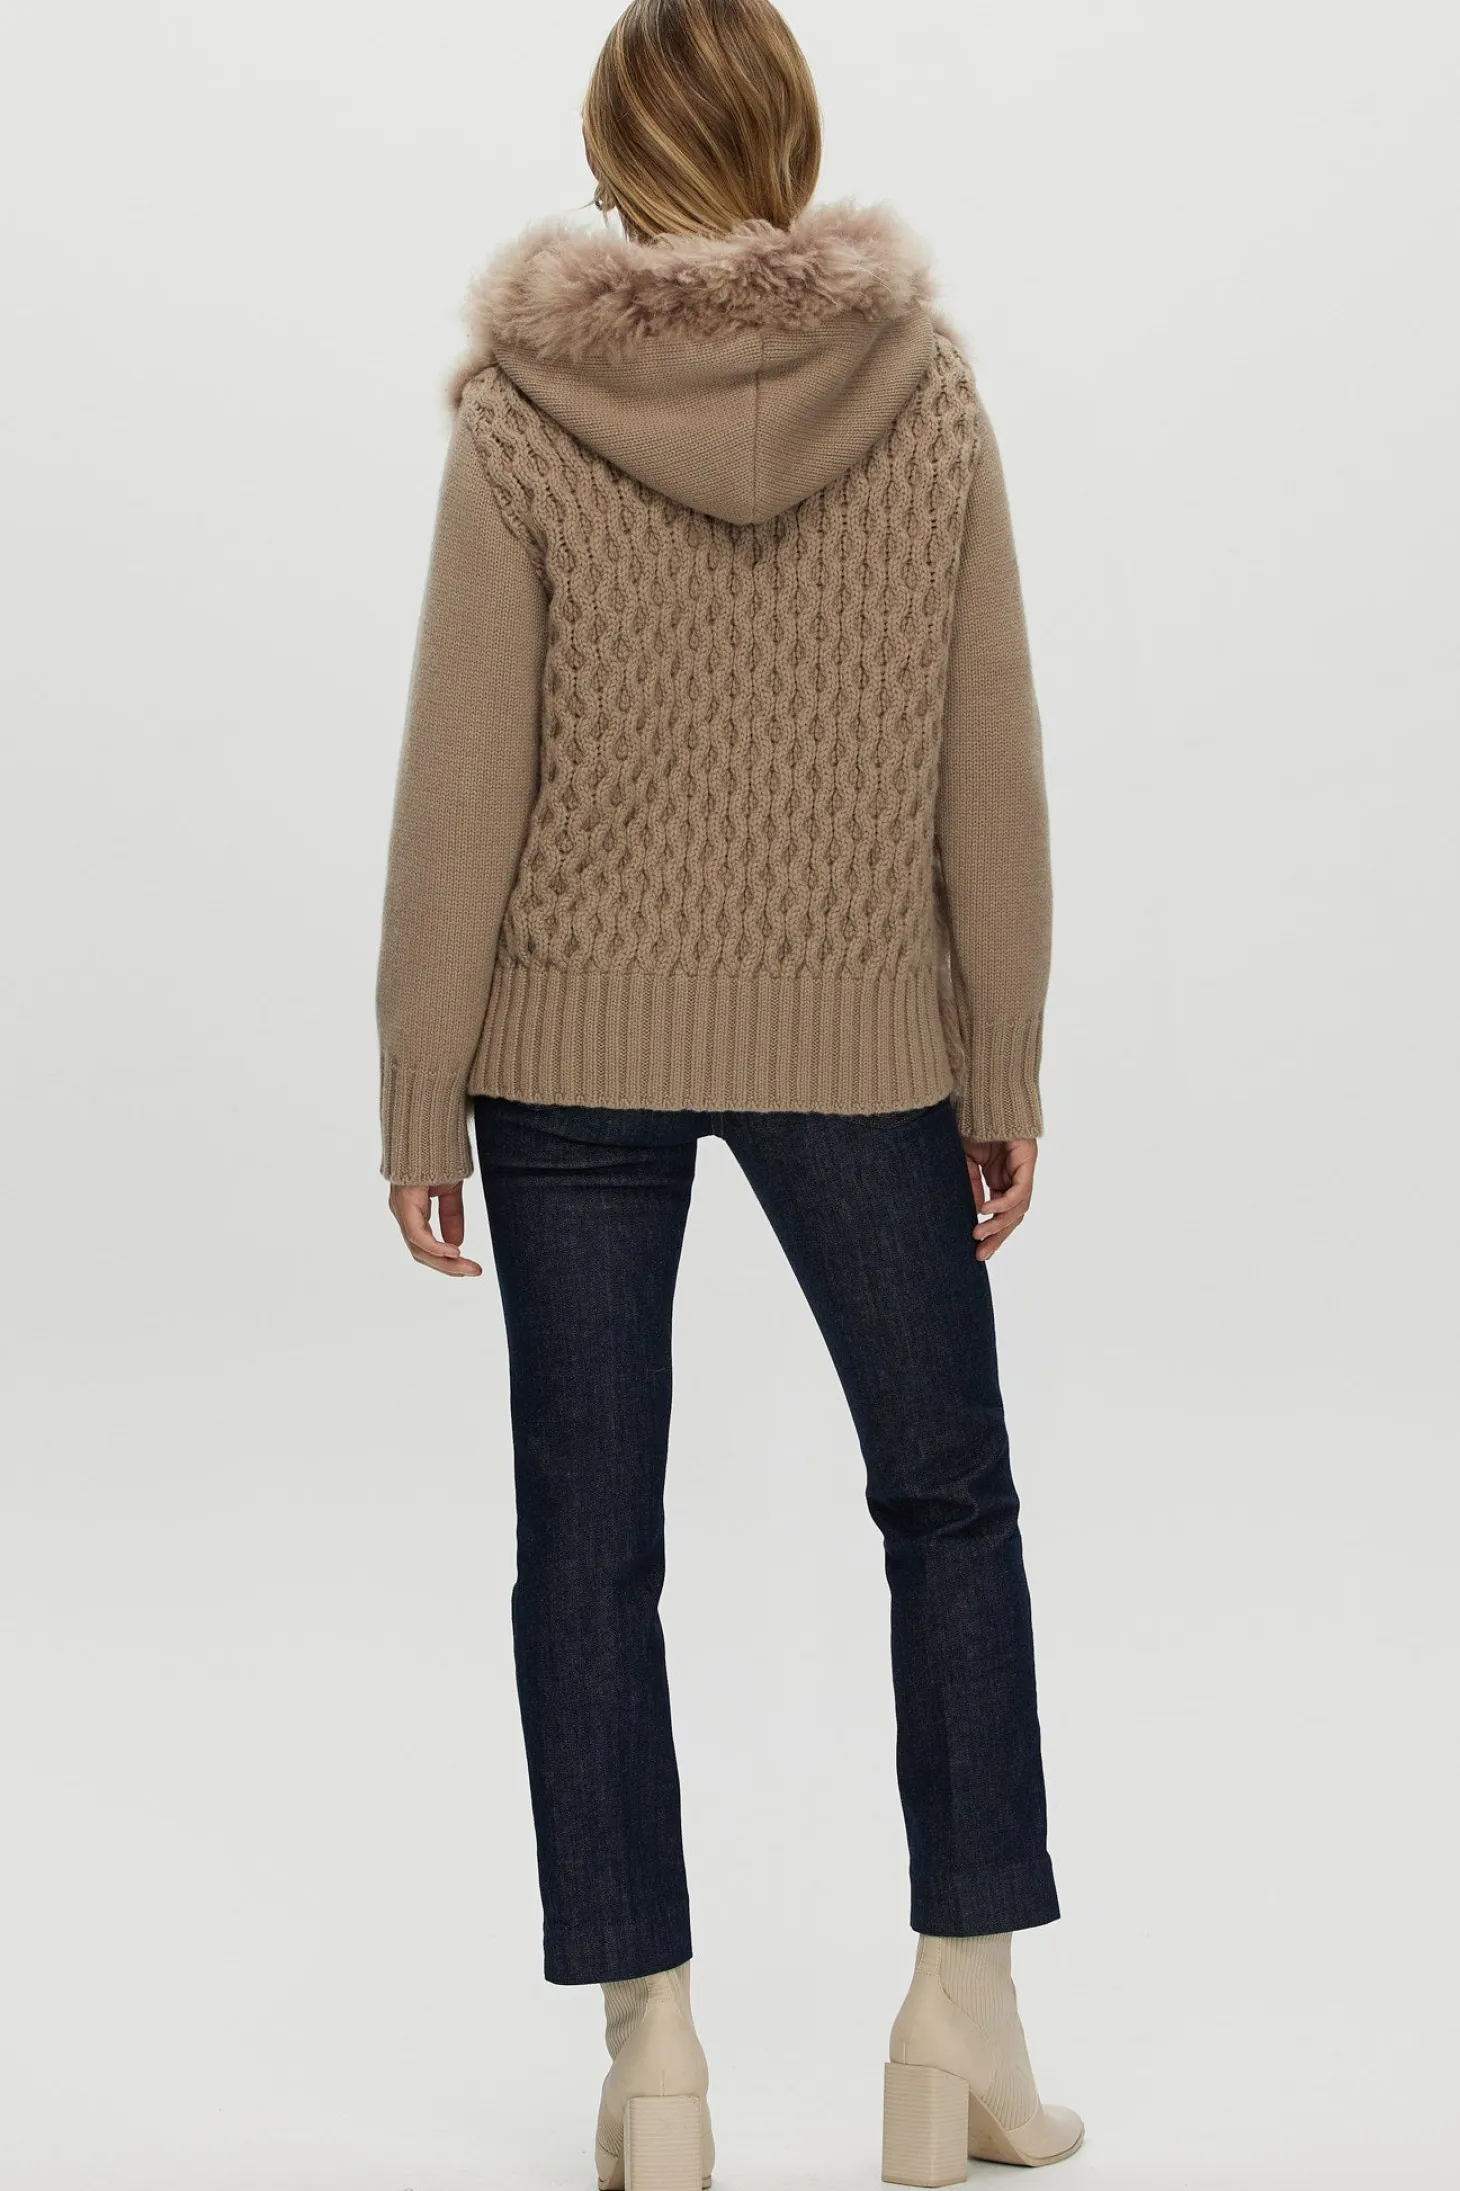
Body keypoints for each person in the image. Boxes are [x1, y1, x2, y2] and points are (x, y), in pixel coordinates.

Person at [374, 0, 1081, 2180]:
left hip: (564, 1051)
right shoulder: (924, 389)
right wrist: (999, 1054)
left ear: (615, 154)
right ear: (787, 135)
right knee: (944, 1501)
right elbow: (988, 755)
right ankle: (957, 2012)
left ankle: (653, 2060)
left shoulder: (522, 409)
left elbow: (462, 776)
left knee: (587, 1546)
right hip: (855, 1035)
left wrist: (419, 1087)